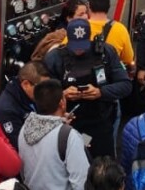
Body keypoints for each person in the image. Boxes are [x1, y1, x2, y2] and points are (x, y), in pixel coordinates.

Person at [43, 18, 132, 159]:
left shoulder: (106, 52)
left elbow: (125, 85)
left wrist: (100, 92)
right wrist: (62, 95)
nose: (79, 50)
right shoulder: (55, 58)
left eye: (82, 45)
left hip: (100, 123)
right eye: (75, 45)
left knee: (103, 165)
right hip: (68, 125)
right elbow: (42, 95)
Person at [19, 78, 90, 190]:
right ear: (62, 103)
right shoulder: (68, 136)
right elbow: (81, 183)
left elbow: (23, 171)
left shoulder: (24, 129)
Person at [0, 61, 47, 145]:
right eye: (42, 87)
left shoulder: (30, 95)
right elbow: (20, 146)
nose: (46, 92)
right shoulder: (6, 112)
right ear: (26, 84)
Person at [86, 0, 135, 72]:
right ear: (108, 5)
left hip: (83, 77)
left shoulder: (77, 28)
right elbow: (128, 59)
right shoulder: (120, 29)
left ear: (89, 5)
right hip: (109, 78)